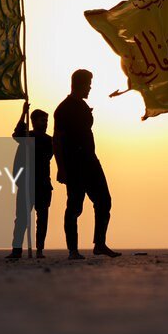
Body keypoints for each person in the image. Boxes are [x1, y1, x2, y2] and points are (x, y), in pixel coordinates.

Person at [53, 69, 121, 259]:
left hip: (91, 161)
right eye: (88, 84)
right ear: (79, 84)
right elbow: (57, 140)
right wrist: (61, 168)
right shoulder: (63, 109)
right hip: (74, 164)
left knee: (104, 201)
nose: (90, 88)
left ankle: (99, 244)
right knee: (75, 207)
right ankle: (73, 250)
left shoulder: (83, 106)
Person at [8, 103, 54, 259]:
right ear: (34, 121)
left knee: (42, 219)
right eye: (42, 120)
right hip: (27, 184)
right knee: (21, 218)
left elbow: (50, 155)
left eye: (46, 121)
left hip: (43, 184)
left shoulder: (49, 140)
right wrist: (23, 113)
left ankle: (39, 250)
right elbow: (16, 134)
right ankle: (16, 250)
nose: (45, 123)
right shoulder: (27, 137)